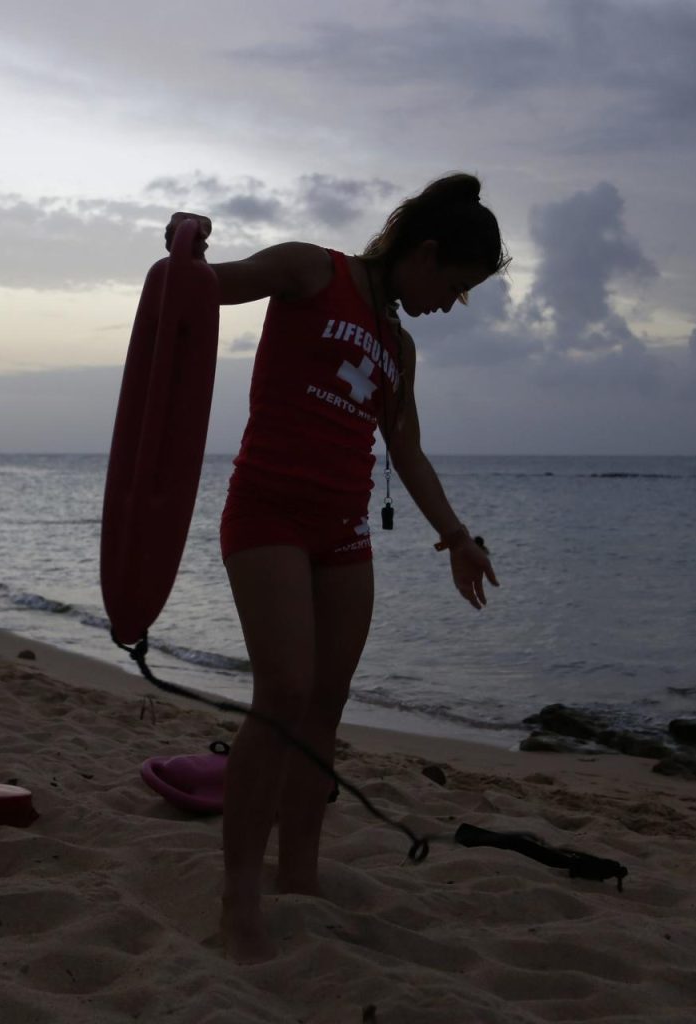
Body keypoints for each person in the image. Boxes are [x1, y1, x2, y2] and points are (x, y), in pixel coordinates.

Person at [165, 172, 506, 962]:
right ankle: (239, 894)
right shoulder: (310, 271)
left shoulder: (398, 345)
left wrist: (457, 536)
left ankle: (301, 875)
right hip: (268, 515)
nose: (453, 304)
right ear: (424, 253)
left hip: (345, 530)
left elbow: (406, 450)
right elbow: (200, 291)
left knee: (324, 707)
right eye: (455, 285)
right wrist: (188, 246)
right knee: (282, 695)